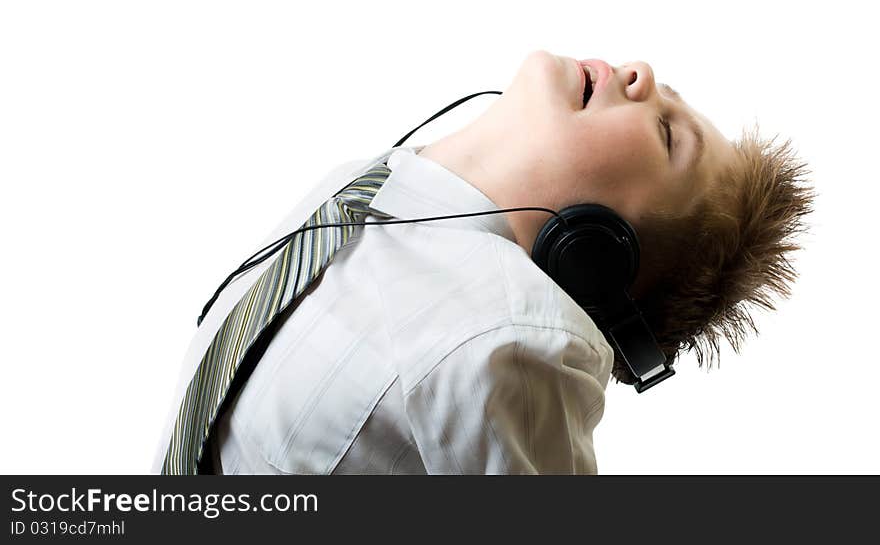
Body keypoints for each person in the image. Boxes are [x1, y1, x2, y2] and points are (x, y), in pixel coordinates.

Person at [151, 50, 813, 474]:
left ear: (594, 253)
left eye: (669, 134)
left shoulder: (522, 335)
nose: (642, 72)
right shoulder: (362, 187)